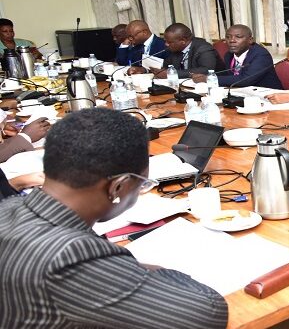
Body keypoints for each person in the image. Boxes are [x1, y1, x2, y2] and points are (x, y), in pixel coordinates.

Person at [0, 108, 228, 328]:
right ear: (118, 187)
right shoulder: (69, 258)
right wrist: (151, 271)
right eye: (142, 184)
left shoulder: (9, 208)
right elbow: (208, 312)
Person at [193, 24, 281, 89]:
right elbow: (228, 75)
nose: (232, 40)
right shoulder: (229, 55)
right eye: (228, 37)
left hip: (269, 96)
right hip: (242, 93)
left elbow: (246, 80)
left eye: (238, 37)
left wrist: (209, 79)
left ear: (250, 40)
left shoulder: (261, 55)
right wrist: (206, 76)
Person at [148, 23, 224, 79]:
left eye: (169, 42)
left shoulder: (203, 48)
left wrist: (173, 74)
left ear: (183, 41)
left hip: (214, 85)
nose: (166, 44)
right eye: (166, 41)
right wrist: (158, 70)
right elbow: (167, 65)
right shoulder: (176, 49)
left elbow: (206, 70)